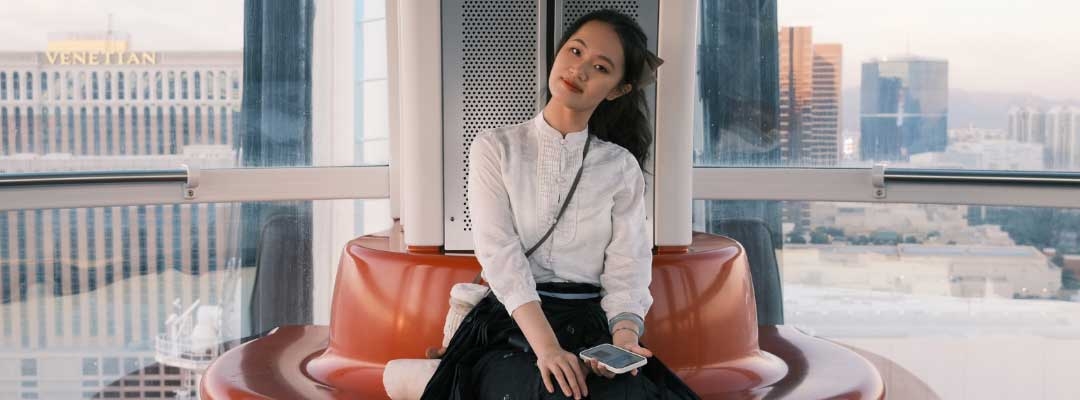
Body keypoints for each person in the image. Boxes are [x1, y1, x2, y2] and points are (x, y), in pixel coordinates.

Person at [421, 9, 698, 400]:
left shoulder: (620, 167)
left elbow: (628, 266)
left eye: (600, 67)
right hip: (512, 324)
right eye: (575, 51)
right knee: (548, 390)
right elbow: (499, 253)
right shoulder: (495, 148)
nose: (580, 70)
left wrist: (623, 340)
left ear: (618, 89)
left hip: (590, 324)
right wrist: (548, 349)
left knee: (625, 395)